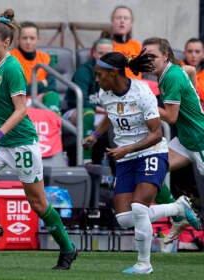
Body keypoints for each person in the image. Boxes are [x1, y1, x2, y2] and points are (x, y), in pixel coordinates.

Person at [0, 9, 77, 270]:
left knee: (37, 202)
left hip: (20, 142)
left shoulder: (13, 68)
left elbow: (21, 109)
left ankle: (67, 248)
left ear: (6, 43)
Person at [83, 51, 200, 274]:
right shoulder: (105, 93)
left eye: (100, 75)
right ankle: (178, 207)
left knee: (138, 208)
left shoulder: (142, 92)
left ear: (114, 73)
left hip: (151, 152)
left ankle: (144, 264)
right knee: (125, 219)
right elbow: (111, 114)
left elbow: (156, 134)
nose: (97, 79)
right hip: (126, 157)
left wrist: (126, 148)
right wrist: (95, 136)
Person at [142, 37, 204, 243]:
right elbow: (190, 70)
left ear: (165, 56)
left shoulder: (171, 77)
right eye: (145, 55)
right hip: (186, 140)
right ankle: (178, 214)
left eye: (152, 56)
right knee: (149, 169)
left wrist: (145, 104)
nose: (147, 60)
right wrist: (192, 92)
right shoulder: (172, 70)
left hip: (200, 140)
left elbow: (170, 117)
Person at [63, 38, 113, 164]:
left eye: (108, 54)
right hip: (76, 111)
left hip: (102, 114)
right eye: (101, 53)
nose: (104, 57)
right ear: (94, 53)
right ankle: (85, 158)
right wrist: (100, 109)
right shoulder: (84, 71)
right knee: (88, 114)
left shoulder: (115, 73)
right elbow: (81, 100)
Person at [11, 21, 61, 115]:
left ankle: (53, 126)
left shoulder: (45, 58)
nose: (28, 42)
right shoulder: (11, 59)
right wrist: (42, 84)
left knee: (52, 96)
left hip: (38, 100)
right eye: (24, 38)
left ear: (38, 40)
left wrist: (31, 87)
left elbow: (52, 86)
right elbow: (16, 91)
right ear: (18, 39)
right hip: (18, 103)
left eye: (32, 38)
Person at [103, 5, 142, 79]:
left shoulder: (137, 45)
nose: (122, 21)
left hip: (137, 86)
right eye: (118, 18)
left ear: (131, 23)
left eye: (126, 18)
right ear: (112, 21)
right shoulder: (105, 45)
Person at [182, 37, 204, 108]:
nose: (193, 55)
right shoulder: (177, 68)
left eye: (197, 52)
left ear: (203, 55)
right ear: (184, 53)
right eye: (190, 51)